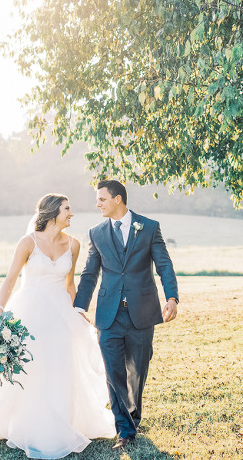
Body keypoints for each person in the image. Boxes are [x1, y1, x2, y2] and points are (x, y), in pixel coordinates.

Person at [0, 194, 115, 459]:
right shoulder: (28, 243)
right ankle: (29, 422)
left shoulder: (73, 244)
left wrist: (79, 313)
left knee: (61, 362)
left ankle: (61, 421)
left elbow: (70, 285)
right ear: (52, 213)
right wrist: (0, 312)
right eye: (67, 209)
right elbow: (11, 279)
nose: (72, 214)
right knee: (32, 365)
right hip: (29, 310)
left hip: (61, 312)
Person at [74, 180, 178, 450]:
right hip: (108, 315)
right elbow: (89, 273)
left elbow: (164, 265)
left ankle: (132, 417)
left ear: (117, 199)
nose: (97, 204)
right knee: (113, 371)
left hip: (142, 312)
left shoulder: (149, 227)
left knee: (137, 371)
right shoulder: (96, 233)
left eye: (102, 199)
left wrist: (172, 298)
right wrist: (79, 306)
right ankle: (125, 428)